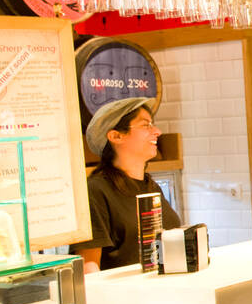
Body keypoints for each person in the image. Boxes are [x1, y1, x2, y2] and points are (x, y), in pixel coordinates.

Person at [70, 97, 181, 272]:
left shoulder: (151, 187)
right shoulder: (96, 191)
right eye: (146, 125)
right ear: (116, 136)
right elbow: (88, 266)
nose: (157, 131)